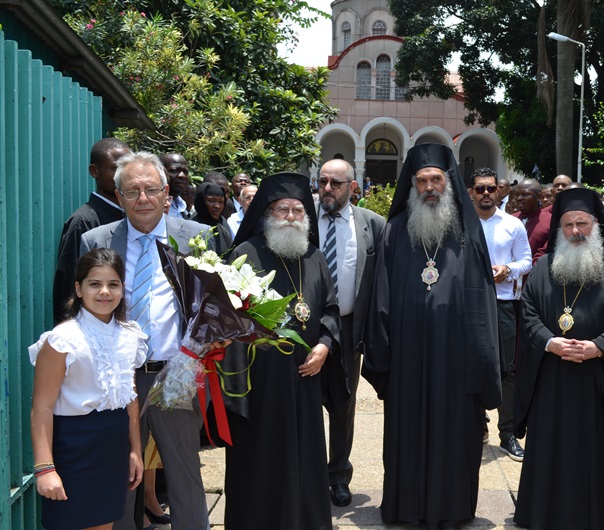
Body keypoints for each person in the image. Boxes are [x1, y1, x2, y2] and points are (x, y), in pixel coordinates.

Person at [363, 143, 502, 527]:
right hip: (407, 355)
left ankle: (451, 509)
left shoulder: (467, 231)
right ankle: (405, 507)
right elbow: (380, 296)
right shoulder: (394, 230)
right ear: (412, 184)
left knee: (455, 432)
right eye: (421, 180)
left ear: (448, 182)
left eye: (436, 179)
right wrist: (382, 352)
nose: (429, 187)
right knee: (406, 431)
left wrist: (483, 357)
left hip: (455, 358)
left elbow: (482, 300)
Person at [81, 151, 214, 530]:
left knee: (185, 474)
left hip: (177, 375)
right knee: (120, 474)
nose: (143, 199)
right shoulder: (96, 240)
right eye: (132, 191)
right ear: (119, 196)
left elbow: (215, 306)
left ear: (166, 193)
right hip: (117, 378)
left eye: (151, 189)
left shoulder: (197, 238)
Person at [221, 172, 344, 529]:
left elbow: (331, 310)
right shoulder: (245, 255)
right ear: (266, 214)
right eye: (282, 209)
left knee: (305, 456)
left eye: (297, 210)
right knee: (261, 459)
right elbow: (227, 320)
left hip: (305, 381)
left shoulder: (315, 256)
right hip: (261, 385)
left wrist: (324, 345)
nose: (290, 216)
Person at [514, 187, 604, 530]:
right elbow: (529, 313)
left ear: (595, 225)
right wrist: (549, 341)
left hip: (594, 376)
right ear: (559, 229)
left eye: (582, 223)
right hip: (551, 375)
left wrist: (599, 346)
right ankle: (542, 513)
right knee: (550, 443)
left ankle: (593, 515)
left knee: (591, 445)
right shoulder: (543, 268)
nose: (575, 231)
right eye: (568, 225)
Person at [31, 248, 146, 530]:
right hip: (75, 445)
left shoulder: (129, 334)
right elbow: (42, 406)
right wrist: (45, 468)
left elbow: (129, 397)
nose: (104, 292)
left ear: (122, 289)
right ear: (78, 289)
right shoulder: (62, 339)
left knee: (104, 524)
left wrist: (135, 450)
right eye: (95, 284)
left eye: (113, 284)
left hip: (114, 445)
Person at [316, 158, 386, 506]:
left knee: (343, 404)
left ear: (353, 187)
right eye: (322, 182)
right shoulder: (302, 220)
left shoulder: (372, 224)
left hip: (347, 328)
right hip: (306, 329)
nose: (327, 189)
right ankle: (308, 473)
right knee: (304, 402)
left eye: (336, 183)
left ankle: (338, 476)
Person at [468, 168, 531, 460]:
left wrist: (508, 269)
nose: (486, 194)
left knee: (507, 368)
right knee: (472, 364)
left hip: (504, 303)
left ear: (498, 191)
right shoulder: (461, 223)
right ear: (471, 192)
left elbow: (526, 261)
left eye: (490, 189)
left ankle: (508, 433)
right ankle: (477, 427)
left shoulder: (512, 224)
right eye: (480, 189)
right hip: (469, 304)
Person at [53, 138, 131, 320]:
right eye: (115, 168)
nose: (123, 175)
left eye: (127, 167)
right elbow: (68, 289)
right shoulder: (83, 222)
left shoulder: (130, 218)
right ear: (94, 171)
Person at [513, 179, 552, 265]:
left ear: (538, 197)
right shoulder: (510, 219)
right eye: (517, 195)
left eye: (524, 194)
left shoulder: (550, 221)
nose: (519, 198)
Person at [191, 182, 234, 255]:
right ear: (201, 201)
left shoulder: (222, 230)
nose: (217, 206)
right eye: (211, 201)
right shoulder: (189, 228)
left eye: (221, 202)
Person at [160, 153, 190, 219]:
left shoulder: (182, 207)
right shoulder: (152, 208)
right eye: (175, 170)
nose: (182, 175)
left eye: (185, 172)